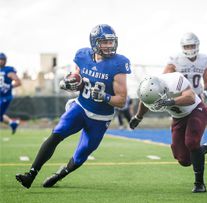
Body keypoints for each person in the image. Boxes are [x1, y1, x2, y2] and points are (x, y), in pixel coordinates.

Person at [16, 24, 131, 189]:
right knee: (56, 134)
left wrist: (104, 96)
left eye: (111, 42)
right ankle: (31, 174)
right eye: (104, 42)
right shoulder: (82, 55)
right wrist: (70, 83)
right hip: (80, 108)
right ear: (94, 42)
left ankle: (60, 174)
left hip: (100, 118)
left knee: (82, 154)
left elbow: (121, 100)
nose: (108, 46)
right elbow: (78, 78)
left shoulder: (119, 63)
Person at [129, 72, 207, 193]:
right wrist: (138, 117)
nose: (155, 106)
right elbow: (145, 102)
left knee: (192, 142)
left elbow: (190, 98)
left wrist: (171, 101)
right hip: (178, 117)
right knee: (184, 160)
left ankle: (199, 184)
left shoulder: (175, 80)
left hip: (196, 110)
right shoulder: (149, 89)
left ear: (163, 91)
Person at [163, 32, 207, 101]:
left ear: (197, 45)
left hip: (197, 97)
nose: (190, 49)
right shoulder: (175, 59)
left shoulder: (204, 59)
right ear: (182, 47)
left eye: (192, 46)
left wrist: (206, 93)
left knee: (205, 112)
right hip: (180, 97)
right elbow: (164, 80)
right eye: (187, 46)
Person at [0, 53, 21, 134]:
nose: (0, 61)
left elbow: (18, 82)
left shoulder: (8, 70)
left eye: (2, 59)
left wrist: (9, 86)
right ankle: (13, 124)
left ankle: (13, 124)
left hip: (5, 97)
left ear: (5, 61)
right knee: (0, 116)